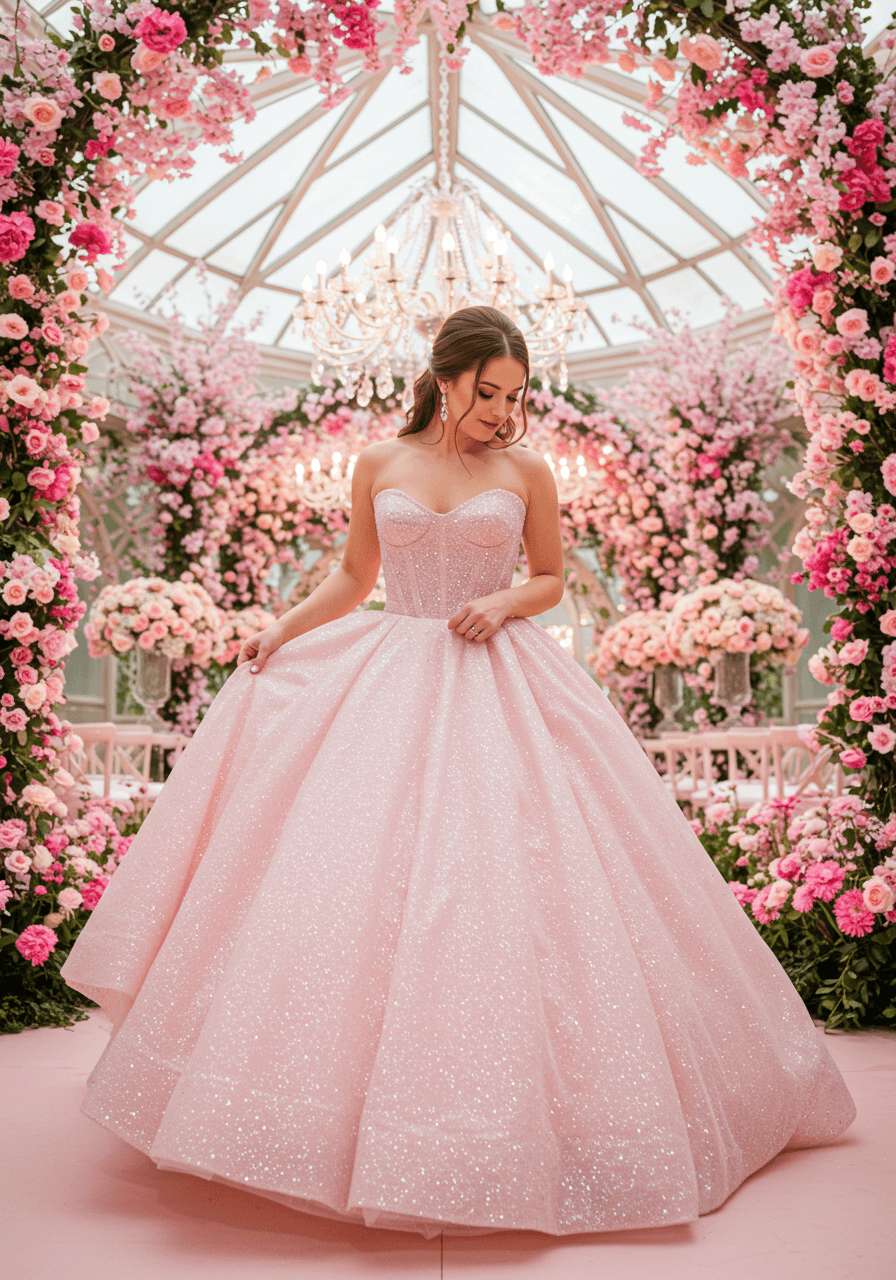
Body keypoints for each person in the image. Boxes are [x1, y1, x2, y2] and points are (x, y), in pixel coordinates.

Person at [61, 306, 856, 1240]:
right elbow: (355, 576)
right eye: (488, 394)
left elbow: (552, 578)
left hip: (497, 675)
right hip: (387, 675)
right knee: (346, 879)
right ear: (445, 379)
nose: (503, 413)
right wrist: (279, 630)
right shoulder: (377, 463)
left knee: (516, 879)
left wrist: (503, 598)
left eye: (516, 397)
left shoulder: (526, 470)